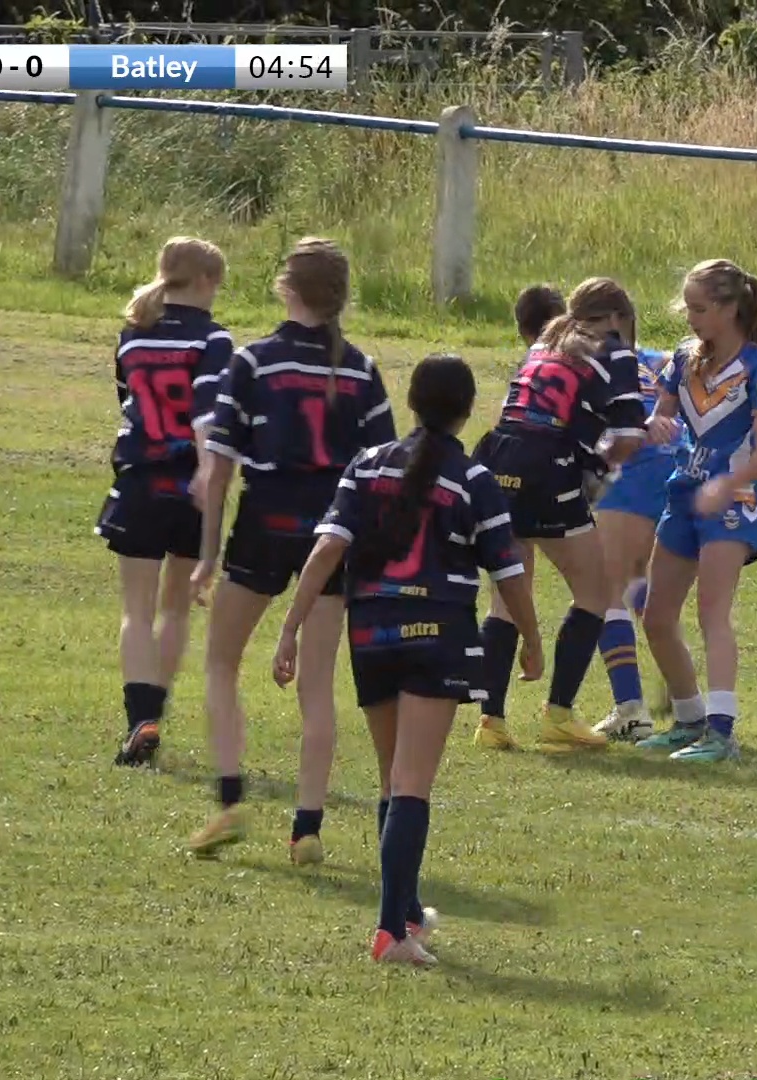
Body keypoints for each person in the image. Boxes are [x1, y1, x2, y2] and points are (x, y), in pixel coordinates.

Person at [273, 353, 543, 968]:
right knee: (411, 784)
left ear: (412, 402)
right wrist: (530, 638)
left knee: (392, 777)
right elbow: (511, 573)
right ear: (468, 410)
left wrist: (290, 626)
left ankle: (409, 913)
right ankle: (391, 932)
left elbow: (326, 549)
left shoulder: (366, 466)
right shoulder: (474, 481)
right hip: (438, 633)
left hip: (370, 632)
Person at [185, 237, 397, 862]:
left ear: (287, 288)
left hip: (265, 522)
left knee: (222, 664)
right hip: (332, 534)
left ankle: (228, 801)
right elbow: (382, 470)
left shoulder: (253, 362)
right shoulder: (361, 368)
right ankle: (306, 828)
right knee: (317, 686)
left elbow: (218, 470)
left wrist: (206, 554)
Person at [470, 278, 647, 752]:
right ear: (616, 318)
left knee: (506, 594)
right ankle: (559, 717)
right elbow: (629, 436)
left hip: (496, 456)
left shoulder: (547, 341)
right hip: (546, 465)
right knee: (596, 590)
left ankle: (491, 721)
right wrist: (602, 468)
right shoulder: (613, 349)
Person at [637, 259, 757, 763]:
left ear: (729, 309)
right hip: (683, 494)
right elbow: (662, 412)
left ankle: (722, 735)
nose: (690, 317)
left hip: (733, 504)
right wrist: (656, 425)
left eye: (699, 308)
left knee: (711, 613)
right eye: (688, 307)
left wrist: (728, 484)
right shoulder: (684, 359)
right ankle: (688, 719)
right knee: (656, 616)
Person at [96, 236, 230, 767]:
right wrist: (207, 473)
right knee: (175, 607)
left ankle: (139, 719)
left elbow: (128, 403)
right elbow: (207, 415)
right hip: (188, 482)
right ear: (205, 282)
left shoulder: (132, 335)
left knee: (135, 609)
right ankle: (156, 711)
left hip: (138, 479)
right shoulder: (215, 340)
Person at [591, 342, 687, 741]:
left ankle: (630, 710)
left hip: (630, 468)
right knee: (635, 579)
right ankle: (678, 681)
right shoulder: (652, 358)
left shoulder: (584, 361)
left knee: (602, 589)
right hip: (673, 462)